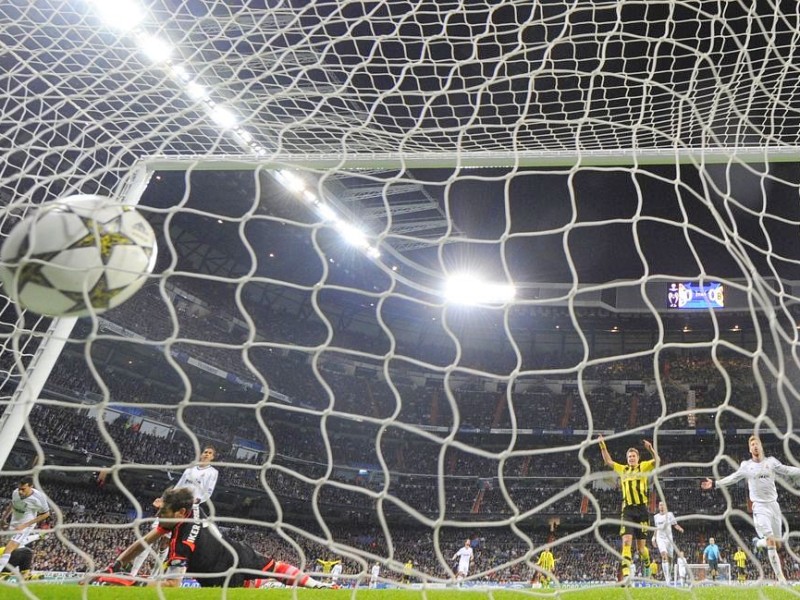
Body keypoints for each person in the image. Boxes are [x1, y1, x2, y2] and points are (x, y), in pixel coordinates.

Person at [92, 486, 331, 588]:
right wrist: (116, 565)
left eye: (162, 512)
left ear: (180, 513)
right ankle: (320, 587)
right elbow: (144, 542)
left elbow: (172, 585)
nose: (158, 515)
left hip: (223, 579)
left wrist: (126, 580)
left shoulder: (181, 544)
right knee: (275, 568)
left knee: (258, 581)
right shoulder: (192, 508)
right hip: (238, 553)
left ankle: (317, 587)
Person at [701, 434, 800, 583]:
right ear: (750, 449)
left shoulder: (771, 462)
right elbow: (734, 478)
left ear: (761, 446)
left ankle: (758, 543)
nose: (755, 446)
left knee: (778, 543)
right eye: (752, 444)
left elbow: (786, 470)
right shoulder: (746, 466)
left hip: (774, 505)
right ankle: (781, 579)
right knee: (771, 540)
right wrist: (715, 483)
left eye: (757, 443)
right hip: (759, 507)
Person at [130, 445, 219, 577]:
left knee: (165, 542)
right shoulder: (190, 469)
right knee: (151, 537)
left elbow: (208, 492)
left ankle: (154, 576)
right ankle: (132, 573)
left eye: (210, 453)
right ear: (201, 454)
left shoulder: (213, 472)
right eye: (205, 452)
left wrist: (197, 500)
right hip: (174, 504)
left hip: (187, 509)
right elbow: (179, 485)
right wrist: (166, 499)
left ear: (213, 457)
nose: (206, 454)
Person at [598, 435, 657, 580]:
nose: (631, 458)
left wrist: (650, 449)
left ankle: (647, 563)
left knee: (641, 548)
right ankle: (625, 575)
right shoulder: (623, 469)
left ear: (638, 458)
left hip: (642, 511)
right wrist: (602, 445)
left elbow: (658, 461)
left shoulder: (643, 466)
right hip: (628, 511)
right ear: (627, 458)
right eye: (629, 456)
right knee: (626, 542)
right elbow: (608, 461)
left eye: (633, 456)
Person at [0, 478, 50, 574]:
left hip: (26, 524)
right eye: (19, 488)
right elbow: (12, 504)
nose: (20, 491)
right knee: (17, 546)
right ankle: (25, 572)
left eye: (23, 489)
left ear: (31, 486)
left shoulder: (39, 498)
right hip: (14, 522)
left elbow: (46, 514)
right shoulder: (15, 493)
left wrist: (24, 525)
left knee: (9, 548)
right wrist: (3, 518)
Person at [652, 501, 683, 584]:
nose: (661, 506)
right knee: (664, 556)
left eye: (663, 505)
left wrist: (680, 528)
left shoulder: (670, 515)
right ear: (658, 507)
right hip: (660, 538)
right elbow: (656, 528)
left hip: (669, 539)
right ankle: (667, 579)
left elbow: (675, 524)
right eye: (660, 505)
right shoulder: (656, 517)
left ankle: (669, 574)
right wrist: (653, 538)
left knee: (670, 559)